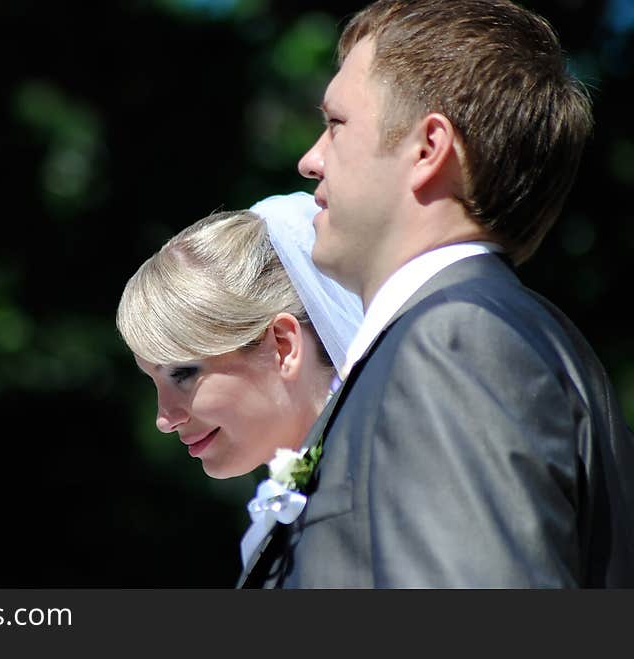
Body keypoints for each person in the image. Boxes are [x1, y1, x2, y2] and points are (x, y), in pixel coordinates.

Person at [238, 0, 634, 588]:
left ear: (428, 149)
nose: (309, 159)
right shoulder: (505, 336)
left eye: (336, 124)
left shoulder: (455, 343)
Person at [116, 192, 362, 484]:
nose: (165, 420)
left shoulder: (377, 489)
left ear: (283, 345)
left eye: (182, 374)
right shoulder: (323, 491)